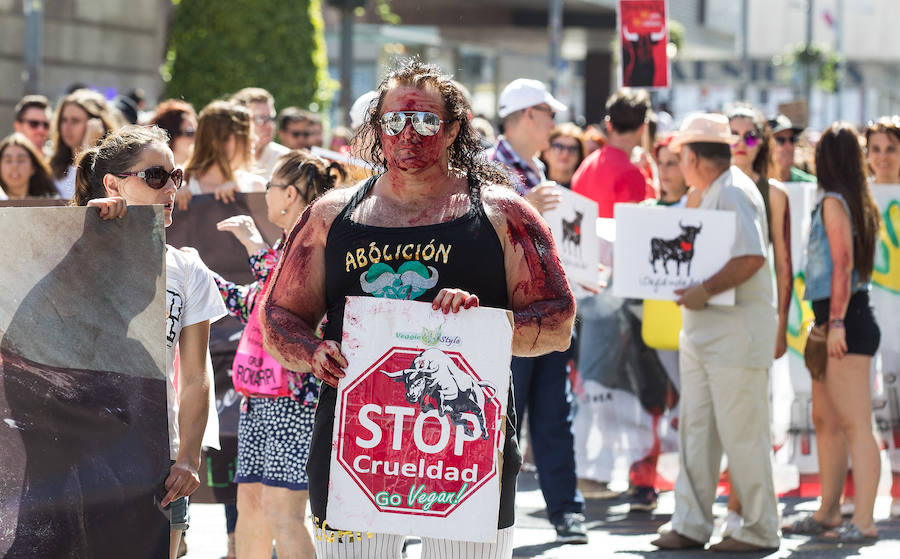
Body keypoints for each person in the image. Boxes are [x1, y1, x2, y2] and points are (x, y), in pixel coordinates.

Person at [258, 59, 576, 559]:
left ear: (452, 130)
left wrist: (488, 324)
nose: (409, 133)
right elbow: (277, 316)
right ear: (376, 128)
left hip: (466, 453)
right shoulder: (329, 216)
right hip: (357, 448)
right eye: (394, 121)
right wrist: (312, 352)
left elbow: (557, 321)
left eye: (426, 120)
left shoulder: (502, 215)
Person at [72, 124, 227, 558]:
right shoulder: (72, 250)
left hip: (159, 460)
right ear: (113, 184)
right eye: (156, 177)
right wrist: (84, 232)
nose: (170, 188)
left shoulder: (187, 269)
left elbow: (196, 376)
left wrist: (189, 458)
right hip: (76, 455)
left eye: (175, 177)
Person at [651, 113, 780, 552]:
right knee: (698, 432)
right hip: (711, 333)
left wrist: (703, 291)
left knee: (742, 435)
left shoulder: (734, 191)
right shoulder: (715, 192)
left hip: (734, 335)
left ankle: (759, 529)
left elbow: (751, 258)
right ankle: (692, 522)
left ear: (691, 156)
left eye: (678, 155)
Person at [210, 151, 342, 559]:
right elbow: (258, 306)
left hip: (296, 399)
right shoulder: (287, 242)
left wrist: (253, 245)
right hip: (263, 396)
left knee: (283, 513)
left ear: (287, 194)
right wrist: (198, 275)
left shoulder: (319, 239)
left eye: (269, 186)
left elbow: (288, 307)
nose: (264, 193)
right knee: (250, 504)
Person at [489, 78, 587, 543]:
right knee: (506, 418)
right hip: (509, 318)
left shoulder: (533, 168)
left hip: (544, 315)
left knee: (553, 413)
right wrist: (526, 206)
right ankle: (493, 514)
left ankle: (566, 509)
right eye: (548, 114)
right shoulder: (489, 170)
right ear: (529, 115)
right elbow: (477, 236)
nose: (554, 124)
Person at [783, 123, 883, 542]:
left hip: (846, 320)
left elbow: (842, 264)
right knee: (825, 419)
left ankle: (863, 521)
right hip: (834, 319)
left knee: (856, 423)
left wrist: (837, 322)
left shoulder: (835, 202)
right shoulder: (848, 200)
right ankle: (828, 511)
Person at [571, 88, 652, 218]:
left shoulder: (587, 163)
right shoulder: (632, 174)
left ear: (608, 124)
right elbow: (633, 228)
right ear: (643, 127)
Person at [177, 100, 265, 209]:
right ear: (219, 142)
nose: (254, 139)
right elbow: (152, 224)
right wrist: (168, 203)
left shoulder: (255, 187)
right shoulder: (178, 184)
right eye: (245, 135)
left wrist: (240, 197)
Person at [49, 88, 118, 199]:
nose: (67, 127)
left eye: (75, 121)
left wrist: (88, 149)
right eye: (64, 120)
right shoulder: (53, 165)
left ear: (95, 124)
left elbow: (84, 197)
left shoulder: (114, 166)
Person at [232, 87, 290, 179]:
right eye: (260, 119)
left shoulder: (285, 160)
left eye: (271, 118)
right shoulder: (225, 159)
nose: (270, 126)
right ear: (240, 122)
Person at [0, 133, 58, 198]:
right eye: (8, 161)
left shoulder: (51, 202)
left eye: (21, 160)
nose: (14, 166)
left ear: (33, 167)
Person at [150, 100, 198, 167]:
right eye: (190, 132)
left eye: (198, 131)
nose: (197, 137)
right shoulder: (153, 173)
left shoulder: (201, 172)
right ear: (170, 135)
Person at [768, 114, 815, 183]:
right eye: (780, 140)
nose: (789, 146)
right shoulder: (755, 184)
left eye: (792, 139)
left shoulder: (810, 183)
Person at [539, 123, 585, 188]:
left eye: (572, 149)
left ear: (580, 155)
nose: (565, 153)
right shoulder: (531, 185)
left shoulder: (587, 189)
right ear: (545, 152)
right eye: (558, 147)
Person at [654, 135, 688, 205]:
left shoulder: (700, 207)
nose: (662, 170)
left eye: (670, 163)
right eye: (660, 163)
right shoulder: (647, 207)